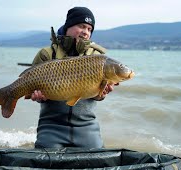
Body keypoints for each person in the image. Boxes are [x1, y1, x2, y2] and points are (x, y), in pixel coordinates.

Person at [28, 6, 118, 148]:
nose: (85, 32)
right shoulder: (46, 54)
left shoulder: (97, 57)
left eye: (89, 29)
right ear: (68, 26)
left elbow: (97, 96)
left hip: (86, 125)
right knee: (46, 163)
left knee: (96, 165)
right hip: (51, 125)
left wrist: (102, 93)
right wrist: (36, 96)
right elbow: (32, 88)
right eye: (81, 26)